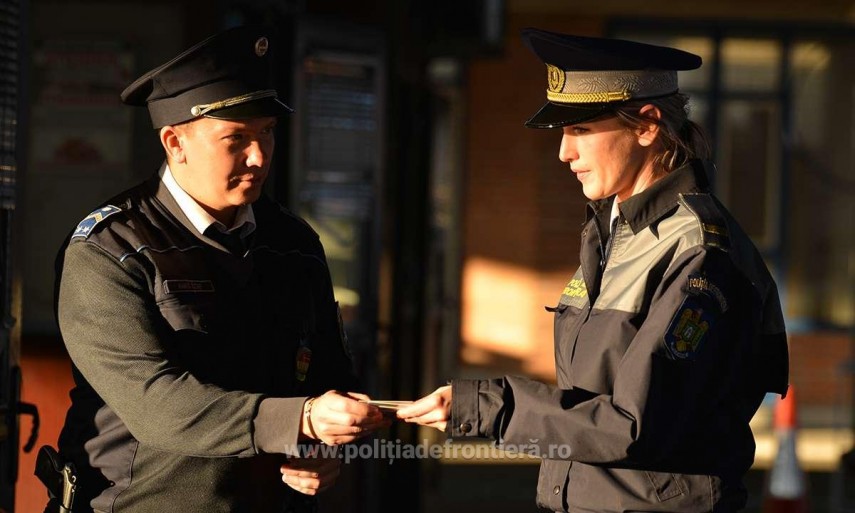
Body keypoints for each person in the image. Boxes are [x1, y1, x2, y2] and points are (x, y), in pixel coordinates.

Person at [398, 28, 789, 512]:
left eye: (580, 130)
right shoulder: (612, 230)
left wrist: (486, 406)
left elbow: (632, 424)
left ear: (647, 125)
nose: (564, 153)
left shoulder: (700, 253)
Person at [53, 25, 387, 513]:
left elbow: (327, 374)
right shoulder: (111, 249)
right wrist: (303, 418)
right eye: (236, 138)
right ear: (175, 142)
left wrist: (323, 449)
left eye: (267, 133)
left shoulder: (293, 244)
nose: (258, 157)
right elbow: (157, 404)